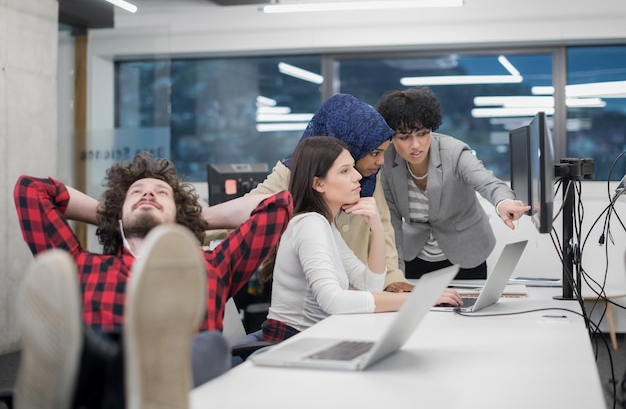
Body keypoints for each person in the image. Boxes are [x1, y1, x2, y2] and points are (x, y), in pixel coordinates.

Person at [13, 152, 292, 407]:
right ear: (119, 213)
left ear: (178, 213)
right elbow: (30, 190)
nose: (148, 194)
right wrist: (111, 214)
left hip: (185, 387)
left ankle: (106, 369)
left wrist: (193, 219)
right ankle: (97, 367)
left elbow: (278, 205)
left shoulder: (213, 266)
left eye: (161, 193)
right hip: (102, 390)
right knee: (91, 342)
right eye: (137, 193)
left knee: (208, 347)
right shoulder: (82, 265)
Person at [260, 136, 463, 342]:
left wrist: (377, 228)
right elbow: (334, 301)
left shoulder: (326, 225)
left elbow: (370, 285)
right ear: (318, 183)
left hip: (315, 337)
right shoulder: (310, 224)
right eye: (345, 171)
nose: (357, 176)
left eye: (352, 168)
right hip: (291, 342)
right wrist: (419, 299)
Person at [242, 93, 415, 293]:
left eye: (385, 151)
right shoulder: (294, 178)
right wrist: (200, 232)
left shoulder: (366, 174)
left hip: (356, 290)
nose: (381, 161)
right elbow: (246, 214)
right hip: (315, 300)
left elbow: (382, 225)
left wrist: (391, 277)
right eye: (374, 153)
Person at [376, 87, 530, 280]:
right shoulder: (387, 162)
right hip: (415, 255)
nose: (415, 145)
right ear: (391, 136)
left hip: (466, 252)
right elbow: (391, 224)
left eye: (423, 134)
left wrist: (503, 203)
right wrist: (394, 275)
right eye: (404, 137)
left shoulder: (454, 152)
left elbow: (487, 182)